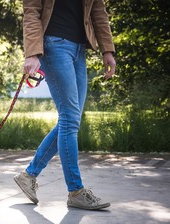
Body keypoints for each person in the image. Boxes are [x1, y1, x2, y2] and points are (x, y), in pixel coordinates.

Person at [14, 0, 116, 210]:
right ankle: (76, 190)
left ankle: (28, 175)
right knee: (70, 118)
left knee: (71, 119)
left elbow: (98, 11)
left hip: (80, 48)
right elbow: (32, 12)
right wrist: (32, 53)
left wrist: (107, 50)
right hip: (54, 44)